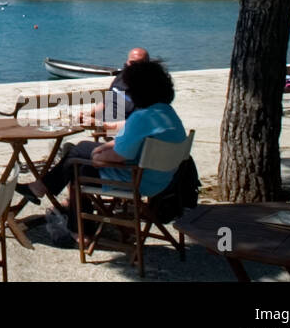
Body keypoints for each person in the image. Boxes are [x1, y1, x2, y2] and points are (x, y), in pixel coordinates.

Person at [18, 59, 187, 244]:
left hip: (136, 181)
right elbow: (125, 140)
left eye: (129, 89)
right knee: (77, 157)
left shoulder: (142, 118)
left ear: (139, 90)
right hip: (160, 180)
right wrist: (106, 142)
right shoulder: (167, 113)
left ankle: (78, 229)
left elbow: (109, 158)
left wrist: (98, 153)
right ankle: (48, 195)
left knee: (77, 161)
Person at [81, 47, 149, 130]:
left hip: (120, 130)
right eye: (132, 62)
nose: (135, 66)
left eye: (140, 63)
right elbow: (106, 101)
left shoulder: (146, 91)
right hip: (103, 122)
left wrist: (101, 125)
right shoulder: (121, 77)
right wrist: (89, 114)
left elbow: (135, 124)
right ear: (127, 62)